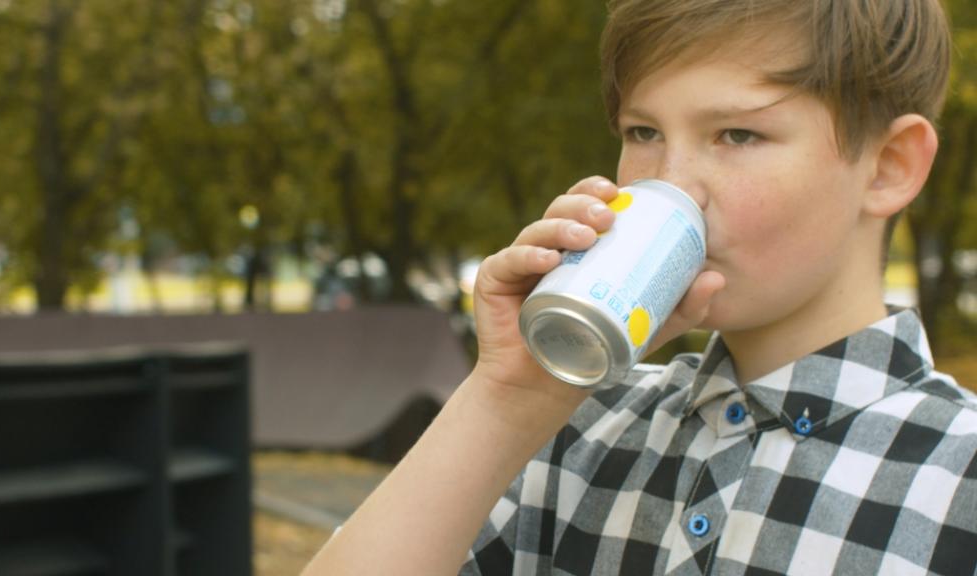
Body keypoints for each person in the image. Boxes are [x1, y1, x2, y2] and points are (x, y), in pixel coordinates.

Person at [304, 0, 977, 574]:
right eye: (644, 132)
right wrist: (508, 400)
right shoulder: (577, 428)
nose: (672, 181)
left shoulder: (958, 474)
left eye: (738, 134)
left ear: (888, 167)